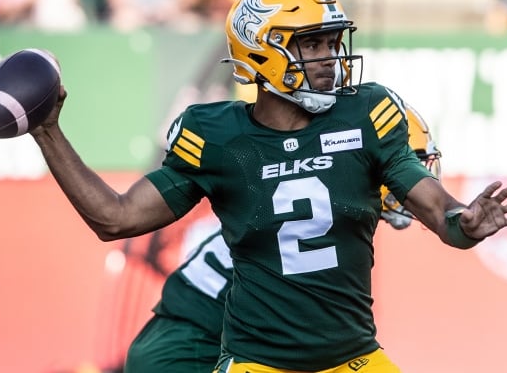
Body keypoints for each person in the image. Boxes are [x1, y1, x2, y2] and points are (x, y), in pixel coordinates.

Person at [27, 0, 507, 372]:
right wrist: (48, 130)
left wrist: (464, 222)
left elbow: (438, 209)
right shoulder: (218, 136)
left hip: (350, 358)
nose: (331, 59)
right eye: (313, 45)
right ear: (263, 50)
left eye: (333, 43)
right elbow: (115, 218)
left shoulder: (366, 112)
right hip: (246, 358)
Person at [124, 105, 443, 373]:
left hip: (194, 337)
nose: (415, 174)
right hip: (191, 344)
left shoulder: (325, 193)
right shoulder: (325, 200)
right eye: (407, 160)